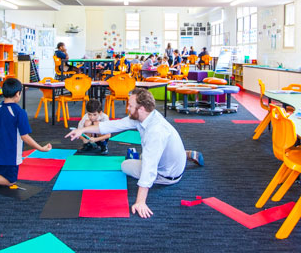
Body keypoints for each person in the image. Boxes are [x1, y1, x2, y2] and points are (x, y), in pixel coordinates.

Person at [66, 88, 204, 219]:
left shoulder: (155, 131)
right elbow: (114, 125)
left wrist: (140, 201)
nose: (127, 108)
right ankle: (183, 154)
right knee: (146, 154)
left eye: (130, 106)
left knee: (126, 165)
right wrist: (82, 130)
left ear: (141, 108)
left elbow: (149, 169)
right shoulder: (149, 115)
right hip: (173, 162)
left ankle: (182, 155)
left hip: (167, 175)